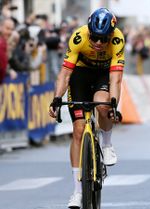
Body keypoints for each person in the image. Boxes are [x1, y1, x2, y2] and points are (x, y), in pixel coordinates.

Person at [48, 8, 125, 208]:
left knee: (102, 105)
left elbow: (115, 79)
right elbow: (65, 75)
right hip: (80, 75)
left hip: (103, 75)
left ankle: (107, 144)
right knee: (78, 130)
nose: (98, 43)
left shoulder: (117, 40)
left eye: (103, 39)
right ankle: (77, 192)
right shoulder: (78, 37)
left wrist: (113, 105)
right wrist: (57, 98)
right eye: (94, 37)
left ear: (110, 35)